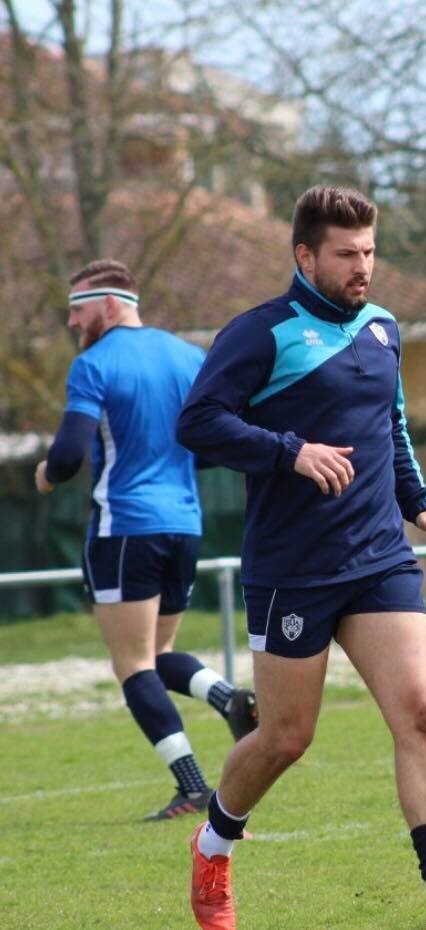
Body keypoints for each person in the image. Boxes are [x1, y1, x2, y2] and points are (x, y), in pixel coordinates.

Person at [177, 187, 426, 930]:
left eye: (369, 251)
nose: (363, 266)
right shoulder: (261, 333)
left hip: (378, 558)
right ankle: (212, 845)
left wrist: (419, 502)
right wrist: (289, 452)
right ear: (305, 256)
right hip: (293, 568)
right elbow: (198, 424)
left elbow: (389, 427)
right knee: (286, 738)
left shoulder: (383, 328)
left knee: (421, 713)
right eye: (346, 254)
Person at [34, 259, 257, 821]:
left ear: (110, 304)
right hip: (183, 524)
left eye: (78, 308)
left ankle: (192, 787)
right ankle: (229, 699)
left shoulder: (93, 364)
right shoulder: (189, 357)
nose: (71, 321)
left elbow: (67, 455)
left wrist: (47, 475)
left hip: (125, 528)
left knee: (132, 665)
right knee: (155, 655)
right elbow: (217, 443)